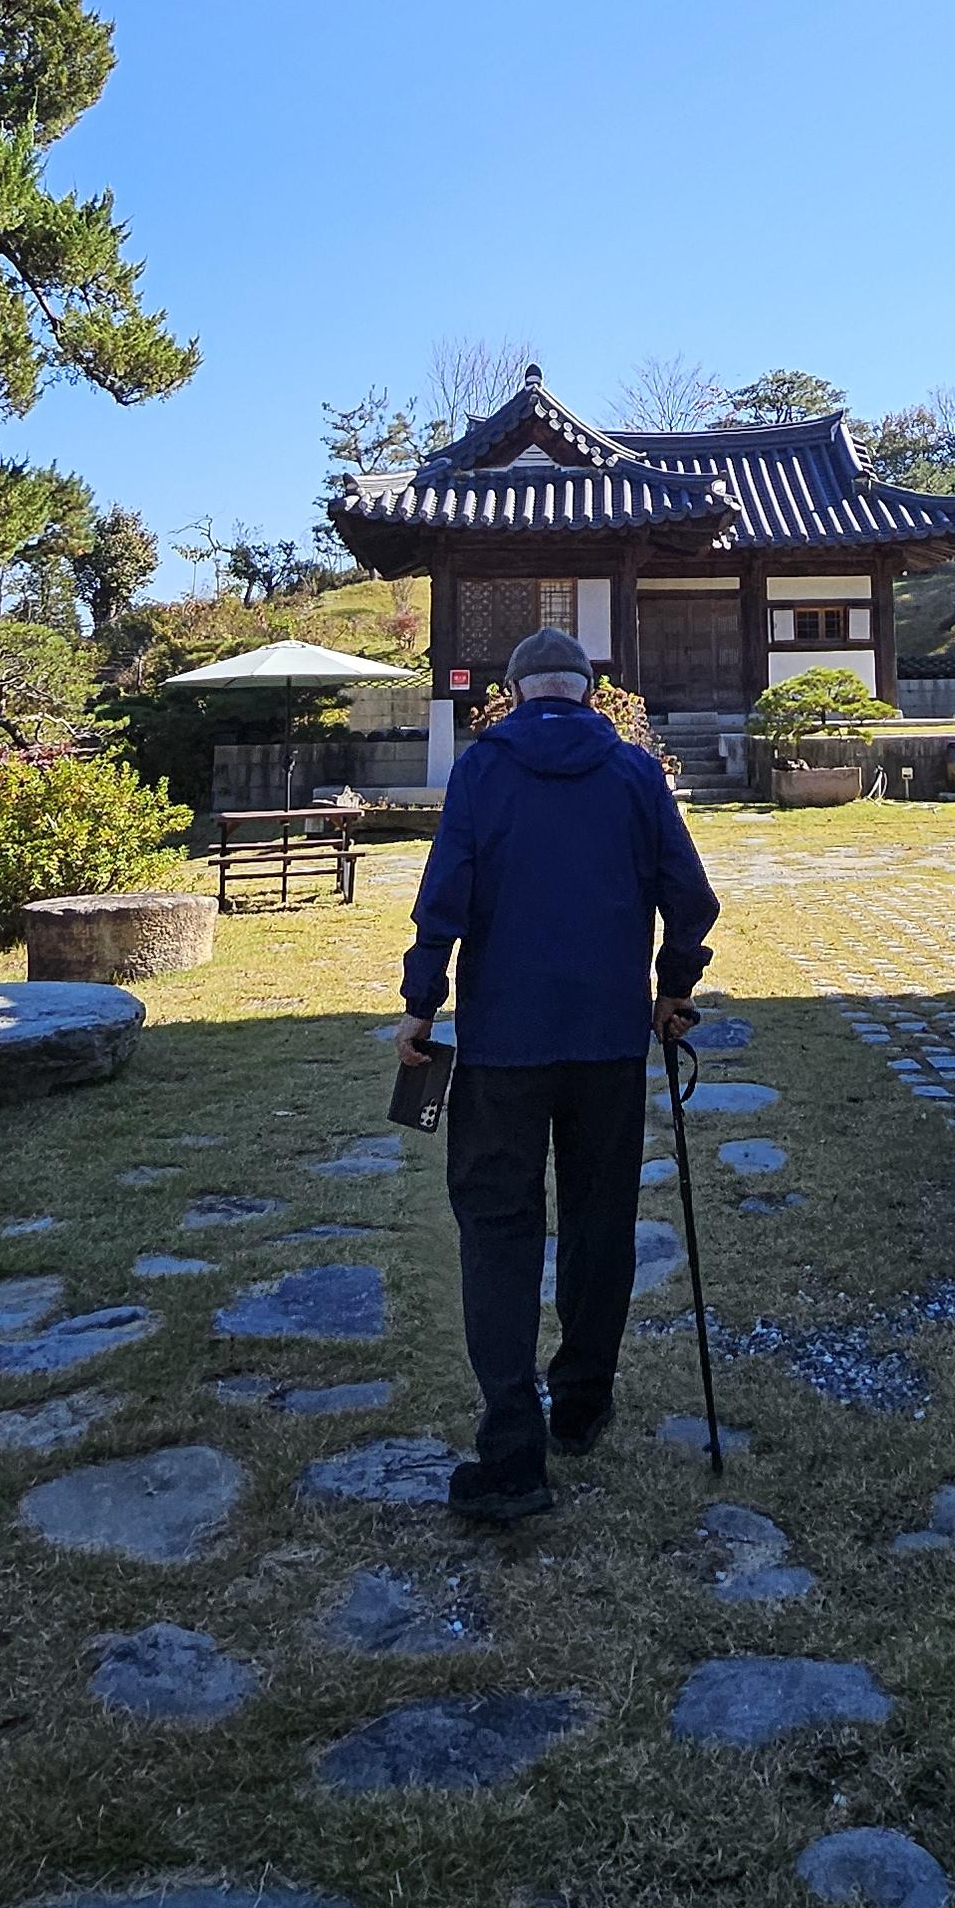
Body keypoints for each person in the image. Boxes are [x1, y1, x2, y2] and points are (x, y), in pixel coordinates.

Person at [395, 626, 718, 1524]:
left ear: (513, 693)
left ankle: (511, 1451)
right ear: (587, 692)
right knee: (599, 1220)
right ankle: (581, 1401)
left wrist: (422, 1002)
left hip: (503, 1043)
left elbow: (444, 895)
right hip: (607, 1040)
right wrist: (674, 988)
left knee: (497, 1230)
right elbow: (690, 899)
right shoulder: (635, 772)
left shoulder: (482, 770)